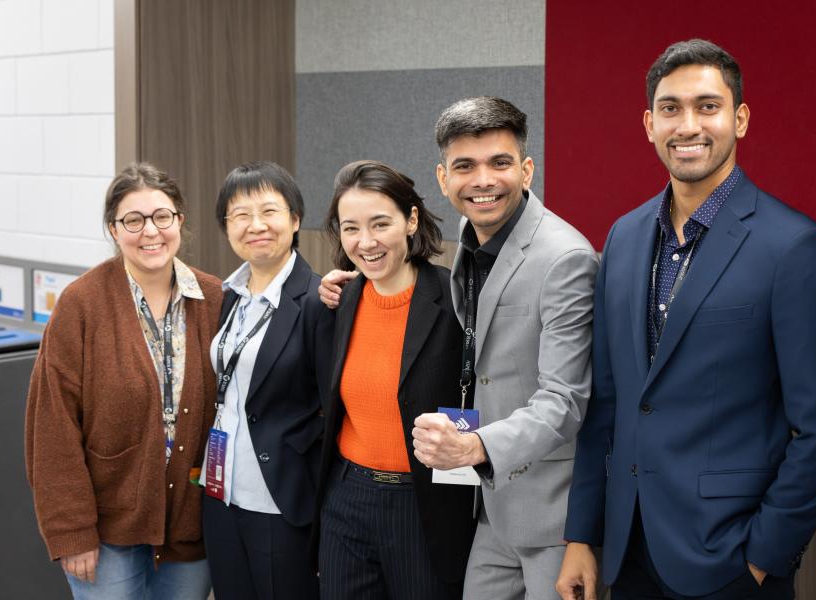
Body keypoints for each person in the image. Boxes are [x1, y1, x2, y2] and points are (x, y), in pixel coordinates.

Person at [556, 39, 816, 600]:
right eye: (671, 108)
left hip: (731, 560)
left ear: (739, 119)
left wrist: (765, 556)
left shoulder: (797, 248)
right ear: (649, 123)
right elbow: (608, 402)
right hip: (628, 553)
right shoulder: (623, 238)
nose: (687, 125)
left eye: (707, 106)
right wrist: (582, 534)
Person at [320, 98, 598, 599]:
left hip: (545, 512)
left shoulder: (565, 257)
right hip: (482, 506)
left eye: (500, 163)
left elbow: (566, 400)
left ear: (527, 170)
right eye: (465, 166)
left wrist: (475, 447)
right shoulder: (470, 249)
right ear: (444, 179)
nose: (483, 180)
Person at [25, 162, 222, 599]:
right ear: (114, 230)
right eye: (133, 220)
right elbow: (52, 426)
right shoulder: (81, 303)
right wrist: (72, 531)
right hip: (107, 532)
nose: (150, 231)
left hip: (188, 531)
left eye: (161, 217)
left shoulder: (213, 299)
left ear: (180, 222)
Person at [315, 160, 475, 599]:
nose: (365, 243)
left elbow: (475, 399)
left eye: (380, 223)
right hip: (346, 499)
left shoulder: (456, 300)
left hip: (423, 505)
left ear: (412, 220)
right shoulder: (340, 299)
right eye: (350, 228)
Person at [200, 161, 333, 600]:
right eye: (239, 215)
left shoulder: (318, 300)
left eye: (269, 212)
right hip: (220, 494)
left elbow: (335, 409)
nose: (255, 225)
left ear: (295, 220)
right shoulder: (227, 296)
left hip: (282, 499)